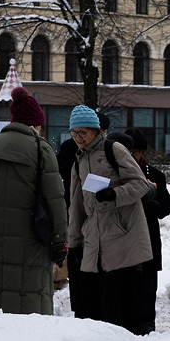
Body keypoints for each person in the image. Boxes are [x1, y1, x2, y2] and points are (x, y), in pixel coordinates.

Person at [0, 87, 67, 315]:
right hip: (32, 241)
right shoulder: (42, 150)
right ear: (34, 124)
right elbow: (55, 199)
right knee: (27, 304)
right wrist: (60, 240)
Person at [67, 105, 152, 334]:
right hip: (94, 241)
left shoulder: (113, 149)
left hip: (121, 240)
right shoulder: (79, 160)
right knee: (92, 308)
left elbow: (139, 184)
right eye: (74, 133)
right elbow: (77, 205)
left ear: (96, 130)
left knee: (119, 310)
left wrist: (114, 195)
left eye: (83, 132)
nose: (78, 138)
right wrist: (73, 243)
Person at [57, 110, 110, 318]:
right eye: (77, 133)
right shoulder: (72, 150)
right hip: (76, 209)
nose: (81, 138)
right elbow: (61, 170)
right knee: (79, 264)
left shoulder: (108, 151)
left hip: (98, 211)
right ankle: (81, 309)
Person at [125, 127, 170, 334]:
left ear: (142, 152)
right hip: (123, 239)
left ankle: (146, 325)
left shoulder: (155, 175)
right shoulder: (115, 174)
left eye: (133, 152)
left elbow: (167, 206)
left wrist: (151, 204)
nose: (129, 156)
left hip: (148, 237)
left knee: (146, 286)